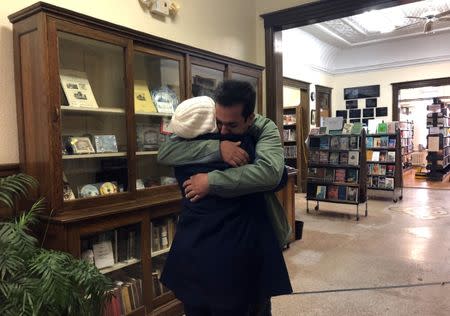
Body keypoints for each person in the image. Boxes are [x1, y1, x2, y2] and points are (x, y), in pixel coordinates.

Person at [158, 80, 293, 315]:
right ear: (211, 115)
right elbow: (278, 176)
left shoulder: (256, 133)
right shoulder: (243, 147)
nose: (222, 132)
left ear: (250, 119)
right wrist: (217, 149)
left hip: (195, 257)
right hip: (238, 260)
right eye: (218, 122)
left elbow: (271, 174)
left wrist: (211, 181)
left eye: (231, 125)